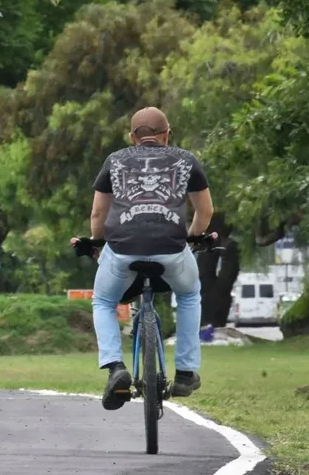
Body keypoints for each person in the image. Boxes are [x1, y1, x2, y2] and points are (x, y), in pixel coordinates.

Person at [72, 107, 213, 410]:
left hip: (122, 250)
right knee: (189, 294)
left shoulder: (115, 160)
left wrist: (97, 243)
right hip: (172, 248)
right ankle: (186, 372)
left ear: (132, 137)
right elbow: (205, 212)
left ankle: (115, 368)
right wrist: (191, 238)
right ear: (167, 134)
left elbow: (98, 213)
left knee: (104, 302)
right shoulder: (187, 160)